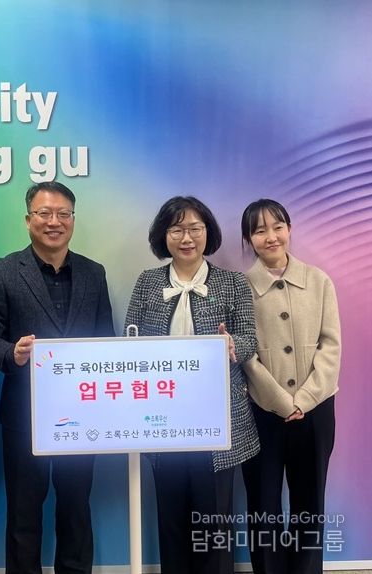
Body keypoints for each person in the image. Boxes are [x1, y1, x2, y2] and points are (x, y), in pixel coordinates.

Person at [0, 180, 114, 574]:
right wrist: (12, 353)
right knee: (24, 512)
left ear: (73, 219)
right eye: (44, 213)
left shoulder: (93, 273)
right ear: (28, 219)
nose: (54, 222)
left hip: (83, 416)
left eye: (63, 214)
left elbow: (106, 339)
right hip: (25, 415)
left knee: (76, 508)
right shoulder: (3, 271)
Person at [124, 196, 259, 574]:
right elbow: (129, 338)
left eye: (195, 229)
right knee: (171, 520)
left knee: (214, 522)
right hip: (163, 421)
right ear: (163, 235)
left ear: (207, 233)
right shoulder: (148, 282)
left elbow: (250, 339)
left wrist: (232, 345)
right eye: (177, 229)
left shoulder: (233, 282)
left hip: (218, 422)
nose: (186, 238)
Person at [240, 199, 341, 574]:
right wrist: (282, 401)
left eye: (277, 227)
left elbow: (331, 345)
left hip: (316, 411)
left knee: (309, 503)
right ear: (249, 239)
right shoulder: (241, 287)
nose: (270, 237)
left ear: (289, 229)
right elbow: (246, 354)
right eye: (259, 230)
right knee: (263, 503)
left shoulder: (318, 280)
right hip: (262, 412)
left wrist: (306, 398)